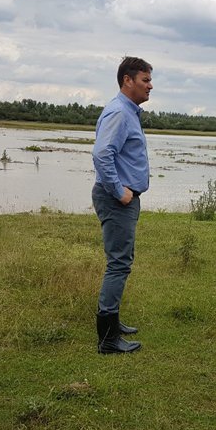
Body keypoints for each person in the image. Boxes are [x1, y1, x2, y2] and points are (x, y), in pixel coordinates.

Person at [91, 56, 153, 354]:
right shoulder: (119, 112)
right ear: (127, 80)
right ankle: (108, 339)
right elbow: (102, 155)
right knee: (118, 264)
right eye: (145, 80)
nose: (150, 86)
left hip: (124, 199)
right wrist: (120, 192)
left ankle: (113, 322)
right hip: (117, 199)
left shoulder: (128, 112)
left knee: (121, 261)